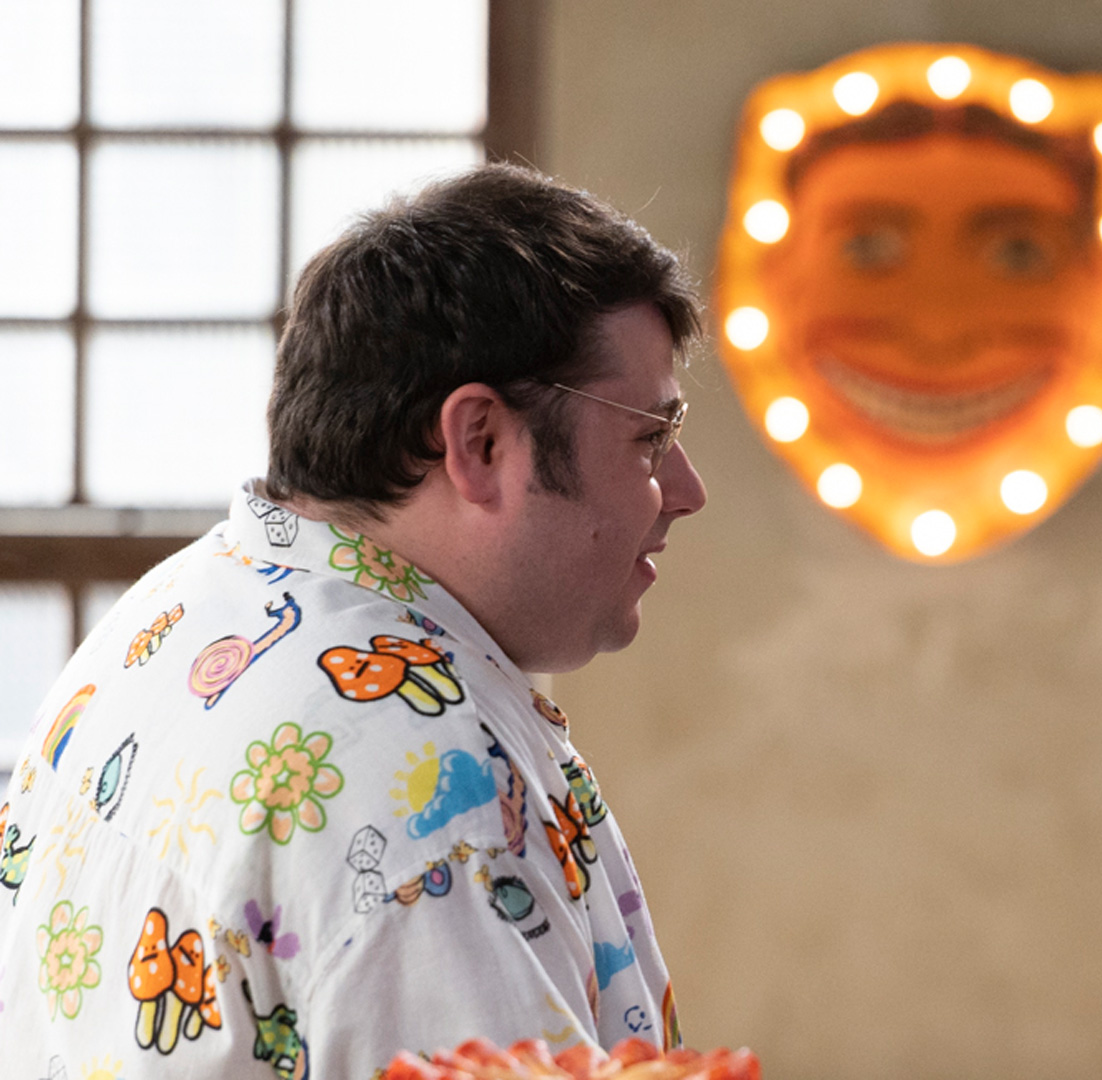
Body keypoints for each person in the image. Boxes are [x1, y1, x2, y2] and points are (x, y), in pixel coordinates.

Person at [0, 164, 708, 1077]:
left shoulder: (179, 608)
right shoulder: (427, 790)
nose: (687, 490)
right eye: (651, 437)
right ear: (481, 442)